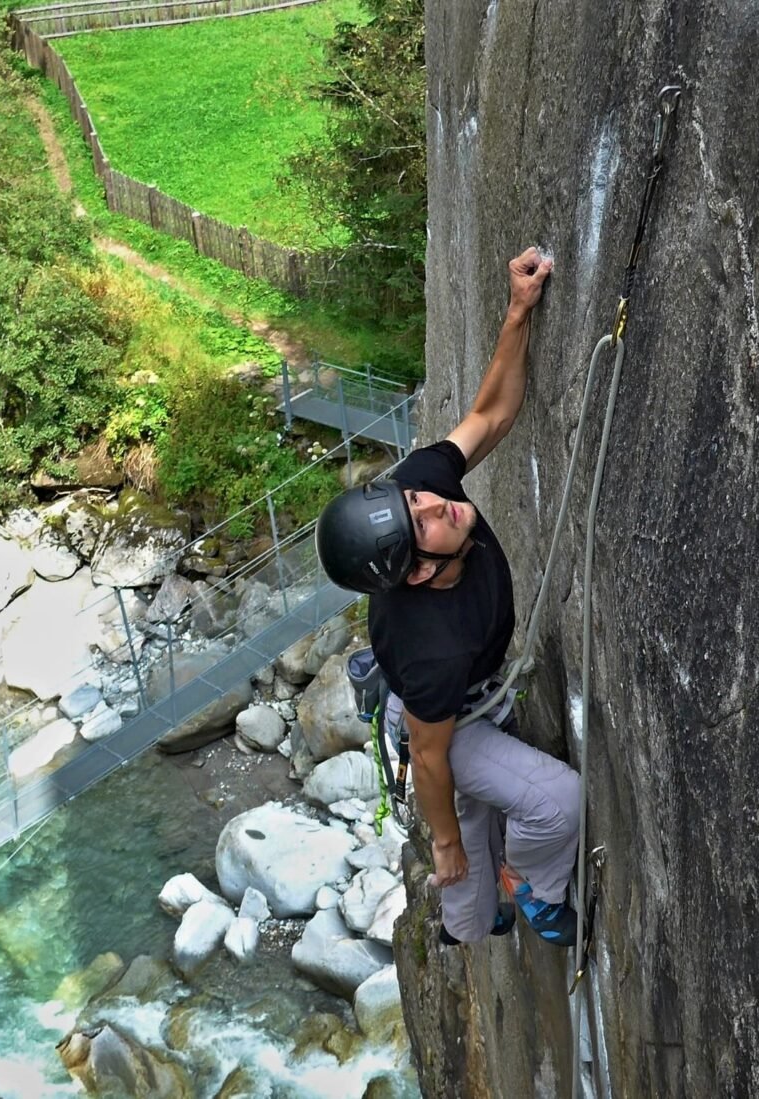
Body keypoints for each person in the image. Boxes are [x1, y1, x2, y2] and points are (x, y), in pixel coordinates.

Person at [313, 246, 580, 947]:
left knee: (485, 811)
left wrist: (518, 310)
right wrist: (443, 843)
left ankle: (491, 888)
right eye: (425, 520)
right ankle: (527, 896)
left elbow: (490, 414)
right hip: (444, 724)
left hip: (470, 694)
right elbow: (432, 758)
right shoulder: (430, 643)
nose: (441, 506)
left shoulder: (422, 490)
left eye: (421, 500)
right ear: (419, 574)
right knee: (533, 816)